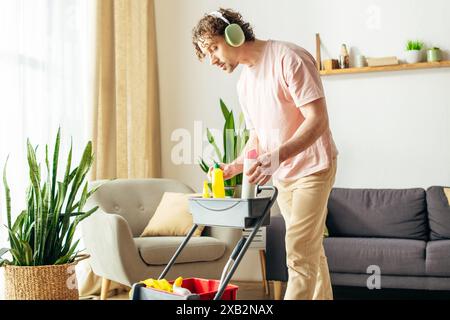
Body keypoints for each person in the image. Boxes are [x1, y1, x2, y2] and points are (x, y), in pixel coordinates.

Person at [192, 8, 339, 300]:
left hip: (313, 168)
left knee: (298, 251)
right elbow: (258, 137)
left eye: (213, 48)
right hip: (284, 175)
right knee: (310, 250)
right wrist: (235, 166)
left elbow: (317, 120)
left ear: (233, 34)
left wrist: (276, 157)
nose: (212, 60)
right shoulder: (245, 83)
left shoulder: (289, 58)